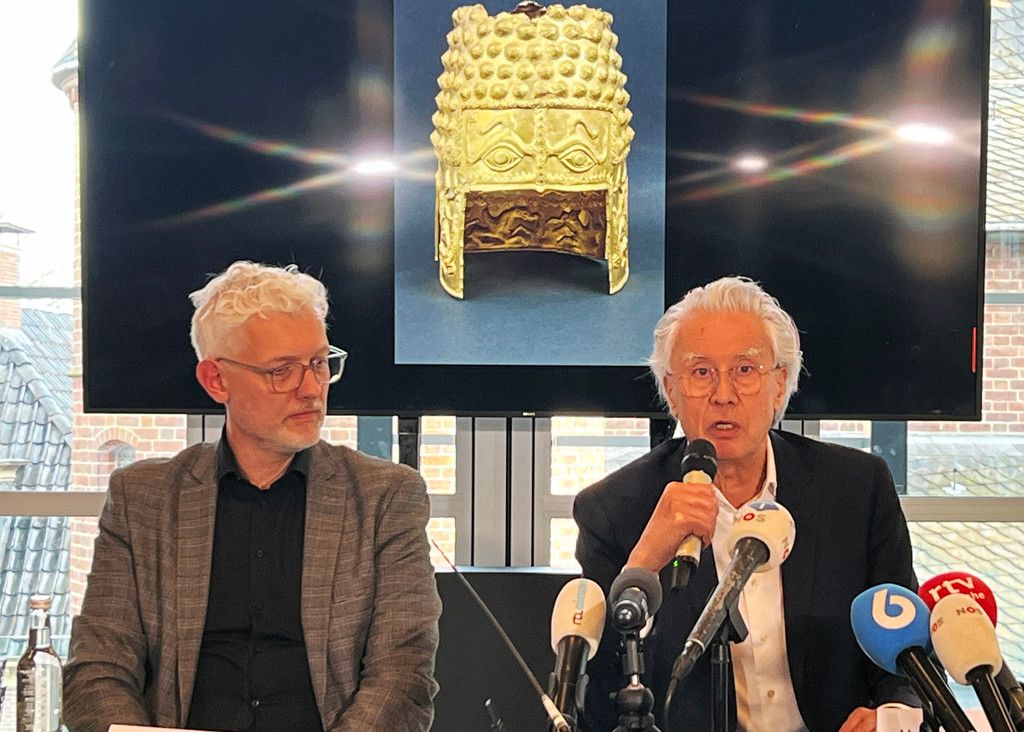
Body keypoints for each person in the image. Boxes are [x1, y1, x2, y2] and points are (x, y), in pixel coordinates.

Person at [64, 261, 442, 732]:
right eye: (282, 371)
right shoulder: (142, 499)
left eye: (319, 363)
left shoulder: (385, 498)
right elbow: (98, 671)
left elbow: (403, 677)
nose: (312, 389)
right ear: (216, 380)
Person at [574, 276, 919, 732]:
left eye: (744, 370)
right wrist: (643, 563)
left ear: (779, 384)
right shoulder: (613, 510)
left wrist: (892, 715)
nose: (723, 394)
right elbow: (595, 707)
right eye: (701, 372)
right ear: (671, 391)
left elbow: (908, 656)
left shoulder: (857, 489)